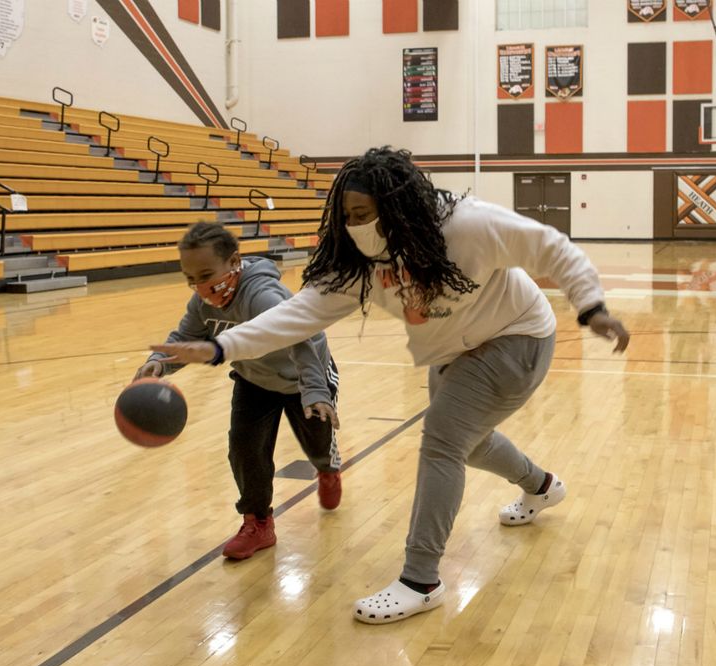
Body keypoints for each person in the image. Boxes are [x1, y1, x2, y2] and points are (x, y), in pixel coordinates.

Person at [151, 148, 630, 622]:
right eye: (346, 215)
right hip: (453, 352)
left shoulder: (467, 226)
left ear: (398, 206)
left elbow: (552, 247)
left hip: (517, 336)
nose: (354, 224)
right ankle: (541, 486)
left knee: (442, 440)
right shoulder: (358, 260)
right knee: (468, 443)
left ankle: (421, 581)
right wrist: (220, 348)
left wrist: (591, 307)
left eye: (363, 213)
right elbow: (298, 316)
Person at [137, 221, 342, 561]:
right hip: (254, 380)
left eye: (205, 274)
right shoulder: (203, 302)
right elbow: (187, 337)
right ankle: (258, 521)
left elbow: (306, 335)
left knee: (317, 443)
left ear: (234, 262)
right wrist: (159, 362)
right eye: (190, 279)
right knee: (245, 450)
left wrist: (316, 389)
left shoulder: (262, 295)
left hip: (302, 379)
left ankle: (327, 468)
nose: (199, 286)